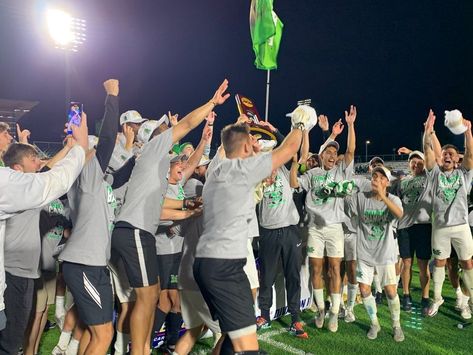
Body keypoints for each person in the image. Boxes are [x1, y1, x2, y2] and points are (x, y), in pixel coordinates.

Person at [111, 79, 230, 355]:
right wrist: (211, 103)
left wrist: (189, 204)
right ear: (155, 136)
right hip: (134, 231)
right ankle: (137, 351)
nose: (168, 129)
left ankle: (138, 348)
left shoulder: (156, 163)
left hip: (136, 231)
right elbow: (187, 124)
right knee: (147, 296)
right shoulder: (154, 149)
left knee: (149, 296)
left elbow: (161, 205)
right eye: (163, 128)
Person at [193, 108, 305, 354]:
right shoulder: (240, 171)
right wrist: (301, 123)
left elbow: (227, 147)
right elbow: (288, 150)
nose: (256, 144)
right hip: (224, 266)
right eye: (252, 141)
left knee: (234, 336)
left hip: (208, 263)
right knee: (248, 347)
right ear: (244, 149)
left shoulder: (217, 170)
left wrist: (242, 136)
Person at [0, 114, 88, 335]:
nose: (8, 136)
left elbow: (42, 171)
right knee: (11, 340)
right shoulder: (7, 181)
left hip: (28, 269)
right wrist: (80, 147)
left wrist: (70, 150)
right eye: (4, 134)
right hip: (16, 270)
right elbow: (48, 179)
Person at [59, 79, 120, 354]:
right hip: (83, 264)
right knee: (104, 334)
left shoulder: (97, 178)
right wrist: (112, 96)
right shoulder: (86, 171)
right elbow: (107, 139)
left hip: (95, 263)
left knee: (97, 330)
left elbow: (124, 164)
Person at [289, 105, 357, 332]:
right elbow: (295, 182)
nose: (331, 155)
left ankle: (335, 313)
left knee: (335, 270)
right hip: (315, 229)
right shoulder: (312, 173)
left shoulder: (340, 171)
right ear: (321, 155)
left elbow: (351, 151)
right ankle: (320, 309)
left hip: (335, 228)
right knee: (316, 270)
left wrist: (350, 125)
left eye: (334, 153)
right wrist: (294, 164)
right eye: (327, 151)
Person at [422, 109, 473, 317]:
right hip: (441, 226)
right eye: (444, 153)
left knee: (467, 262)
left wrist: (468, 132)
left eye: (451, 153)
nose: (448, 155)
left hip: (461, 226)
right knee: (440, 263)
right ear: (441, 158)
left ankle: (470, 299)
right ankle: (437, 299)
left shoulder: (464, 174)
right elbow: (427, 152)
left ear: (457, 159)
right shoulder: (434, 174)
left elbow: (470, 153)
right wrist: (428, 131)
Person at [347, 166, 404, 342]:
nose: (375, 180)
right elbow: (346, 203)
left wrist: (383, 196)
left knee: (391, 291)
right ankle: (374, 323)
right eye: (374, 176)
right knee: (364, 290)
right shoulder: (360, 198)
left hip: (385, 253)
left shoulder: (393, 199)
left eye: (380, 178)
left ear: (387, 182)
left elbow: (399, 214)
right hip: (364, 252)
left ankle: (396, 325)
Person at [256, 155, 307, 338]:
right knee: (267, 277)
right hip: (268, 232)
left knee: (292, 276)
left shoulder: (286, 171)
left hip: (289, 230)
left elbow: (293, 148)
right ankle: (264, 316)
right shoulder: (257, 174)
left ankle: (295, 318)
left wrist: (274, 131)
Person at [395, 150, 432, 314]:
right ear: (408, 164)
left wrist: (412, 151)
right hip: (404, 227)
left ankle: (425, 298)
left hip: (423, 225)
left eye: (419, 162)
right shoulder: (402, 182)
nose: (415, 164)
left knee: (423, 265)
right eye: (412, 162)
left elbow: (433, 161)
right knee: (406, 263)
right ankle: (406, 295)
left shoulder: (429, 177)